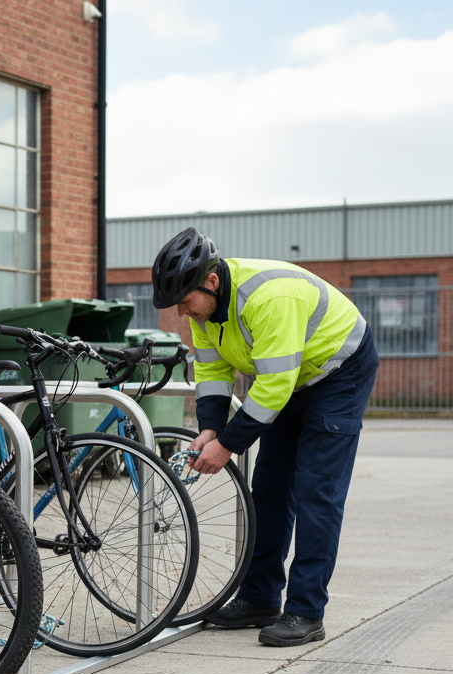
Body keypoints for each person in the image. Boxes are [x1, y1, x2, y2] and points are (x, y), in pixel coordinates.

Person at [151, 228, 379, 647]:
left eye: (185, 302)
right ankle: (259, 599)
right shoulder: (207, 313)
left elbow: (273, 387)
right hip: (289, 377)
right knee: (270, 488)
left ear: (212, 281)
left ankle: (307, 611)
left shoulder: (268, 298)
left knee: (316, 490)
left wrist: (228, 446)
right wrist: (210, 428)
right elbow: (214, 373)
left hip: (338, 374)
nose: (183, 313)